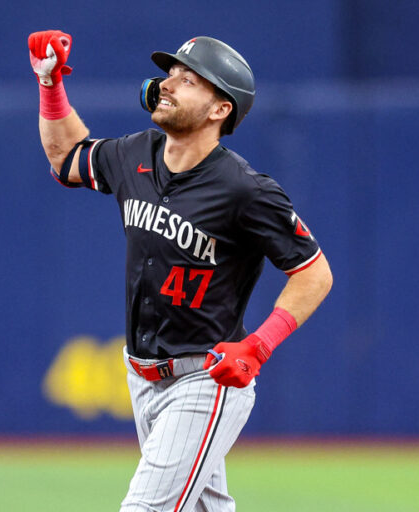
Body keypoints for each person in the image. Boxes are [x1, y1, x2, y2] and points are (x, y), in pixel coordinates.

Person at [29, 30, 333, 512]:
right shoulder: (135, 154)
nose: (168, 84)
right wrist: (49, 84)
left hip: (205, 379)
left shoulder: (245, 189)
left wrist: (259, 345)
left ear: (220, 109)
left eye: (188, 80)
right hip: (142, 375)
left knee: (145, 508)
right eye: (169, 74)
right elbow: (66, 158)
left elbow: (314, 274)